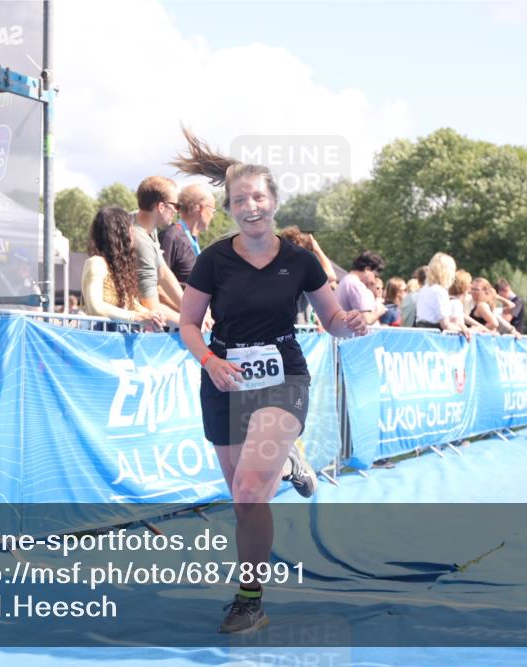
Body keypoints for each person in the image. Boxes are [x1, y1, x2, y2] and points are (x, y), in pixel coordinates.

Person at [172, 129, 368, 634]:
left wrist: (352, 321)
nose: (250, 206)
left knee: (254, 489)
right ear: (230, 208)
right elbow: (188, 325)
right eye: (240, 200)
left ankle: (249, 599)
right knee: (241, 498)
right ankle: (287, 460)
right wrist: (209, 362)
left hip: (282, 376)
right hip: (226, 378)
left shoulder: (299, 261)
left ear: (274, 201)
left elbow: (332, 320)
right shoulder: (214, 259)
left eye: (259, 196)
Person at [81, 206, 165, 330]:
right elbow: (95, 307)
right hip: (98, 338)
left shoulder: (118, 269)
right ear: (121, 233)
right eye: (131, 229)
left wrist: (150, 314)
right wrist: (136, 317)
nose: (133, 234)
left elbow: (131, 304)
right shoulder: (96, 263)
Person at [132, 176, 185, 323]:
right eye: (175, 206)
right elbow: (151, 306)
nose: (176, 211)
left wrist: (191, 310)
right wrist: (190, 324)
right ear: (161, 207)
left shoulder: (142, 221)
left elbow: (162, 272)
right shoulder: (140, 241)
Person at [160, 184, 216, 288]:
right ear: (202, 208)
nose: (212, 216)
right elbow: (159, 285)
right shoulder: (172, 237)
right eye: (213, 210)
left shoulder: (191, 239)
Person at [415, 253, 470, 338]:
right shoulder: (440, 291)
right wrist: (463, 329)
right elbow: (446, 325)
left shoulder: (425, 289)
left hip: (422, 333)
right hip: (433, 337)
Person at [335, 251, 387, 325]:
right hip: (352, 335)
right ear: (367, 269)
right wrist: (380, 311)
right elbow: (366, 320)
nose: (373, 281)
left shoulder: (345, 281)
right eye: (375, 276)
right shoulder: (356, 285)